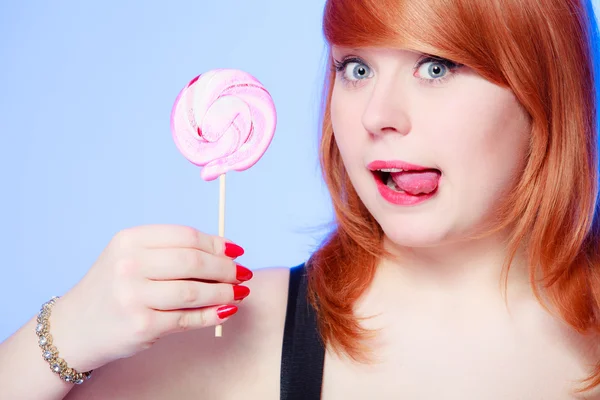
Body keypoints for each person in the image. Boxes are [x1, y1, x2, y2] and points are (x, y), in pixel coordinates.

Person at [2, 0, 600, 398]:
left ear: (544, 89)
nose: (378, 117)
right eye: (356, 69)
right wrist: (60, 334)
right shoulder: (236, 330)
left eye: (437, 67)